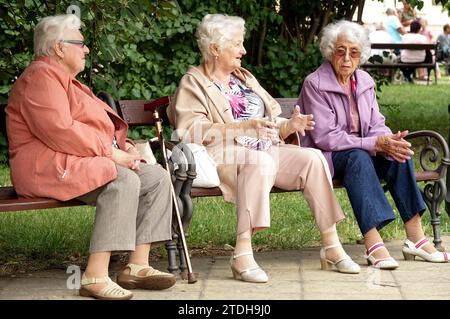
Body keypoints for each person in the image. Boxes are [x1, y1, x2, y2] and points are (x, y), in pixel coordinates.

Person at [168, 13, 361, 283]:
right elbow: (190, 130)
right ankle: (242, 253)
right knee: (259, 163)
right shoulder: (194, 82)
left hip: (263, 148)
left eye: (242, 43)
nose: (243, 51)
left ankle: (331, 246)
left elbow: (269, 120)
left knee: (313, 158)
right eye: (236, 44)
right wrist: (244, 129)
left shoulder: (244, 78)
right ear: (214, 48)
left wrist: (289, 125)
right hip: (224, 154)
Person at [5, 14, 176, 300]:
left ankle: (137, 265)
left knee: (155, 176)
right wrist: (112, 155)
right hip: (46, 165)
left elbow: (99, 128)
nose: (86, 50)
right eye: (81, 44)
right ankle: (95, 275)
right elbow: (60, 131)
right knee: (121, 179)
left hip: (77, 160)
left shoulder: (67, 81)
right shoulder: (39, 77)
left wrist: (128, 148)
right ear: (59, 48)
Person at [297, 20, 449, 270]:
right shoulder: (315, 83)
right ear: (329, 51)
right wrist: (373, 143)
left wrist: (387, 140)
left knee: (399, 153)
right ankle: (373, 242)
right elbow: (326, 137)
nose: (347, 58)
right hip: (327, 157)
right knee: (358, 155)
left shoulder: (365, 80)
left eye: (354, 52)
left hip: (362, 154)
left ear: (361, 55)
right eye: (340, 51)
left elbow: (376, 122)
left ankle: (415, 237)